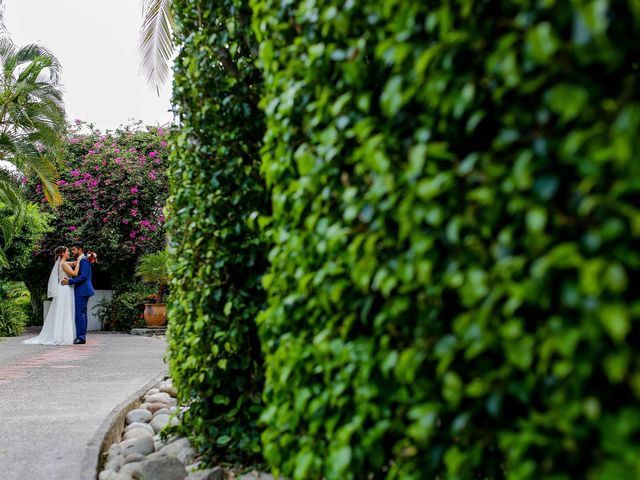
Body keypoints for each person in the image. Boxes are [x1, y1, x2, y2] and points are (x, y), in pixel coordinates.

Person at [23, 246, 80, 345]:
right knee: (65, 311)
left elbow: (72, 263)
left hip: (63, 288)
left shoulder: (61, 263)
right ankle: (63, 336)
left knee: (62, 311)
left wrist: (78, 260)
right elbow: (75, 273)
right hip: (65, 289)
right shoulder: (64, 264)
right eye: (67, 252)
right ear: (62, 253)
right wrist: (79, 261)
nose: (69, 253)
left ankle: (61, 334)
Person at [61, 242, 95, 344]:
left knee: (79, 313)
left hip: (82, 290)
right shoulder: (81, 259)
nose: (72, 252)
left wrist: (69, 281)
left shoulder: (83, 260)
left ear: (80, 250)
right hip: (83, 290)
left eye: (74, 250)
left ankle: (81, 337)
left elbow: (83, 276)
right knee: (82, 313)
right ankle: (82, 336)